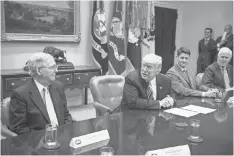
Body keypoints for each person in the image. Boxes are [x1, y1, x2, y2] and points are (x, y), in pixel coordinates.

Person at [9, 53, 73, 135]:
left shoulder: (58, 87)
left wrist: (65, 132)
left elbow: (66, 115)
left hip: (62, 136)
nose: (56, 70)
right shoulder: (20, 94)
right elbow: (19, 128)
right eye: (52, 67)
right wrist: (46, 138)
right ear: (39, 71)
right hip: (38, 143)